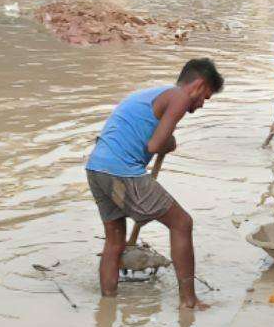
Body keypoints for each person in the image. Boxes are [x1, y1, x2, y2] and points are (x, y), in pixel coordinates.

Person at [85, 59, 224, 309]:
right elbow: (155, 145)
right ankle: (189, 301)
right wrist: (170, 143)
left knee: (115, 241)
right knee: (182, 223)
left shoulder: (152, 94)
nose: (202, 104)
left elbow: (147, 134)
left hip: (96, 167)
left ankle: (107, 306)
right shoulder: (179, 97)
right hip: (121, 171)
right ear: (198, 85)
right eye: (205, 96)